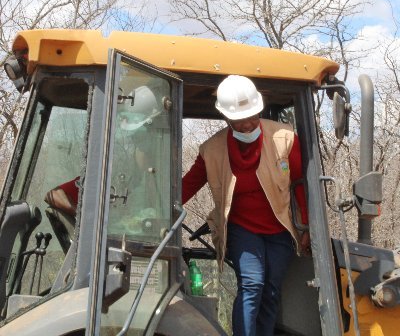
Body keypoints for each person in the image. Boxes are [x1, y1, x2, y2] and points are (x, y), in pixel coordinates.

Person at [182, 75, 310, 336]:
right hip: (242, 229)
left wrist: (306, 225)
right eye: (240, 121)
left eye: (253, 116)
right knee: (252, 284)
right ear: (227, 119)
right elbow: (186, 186)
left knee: (271, 289)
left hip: (280, 229)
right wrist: (158, 207)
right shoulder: (212, 150)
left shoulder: (284, 139)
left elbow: (301, 185)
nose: (249, 124)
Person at [44, 85, 161, 216]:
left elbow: (177, 196)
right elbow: (53, 195)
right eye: (137, 139)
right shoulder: (108, 177)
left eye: (141, 139)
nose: (141, 148)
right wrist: (81, 220)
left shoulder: (154, 183)